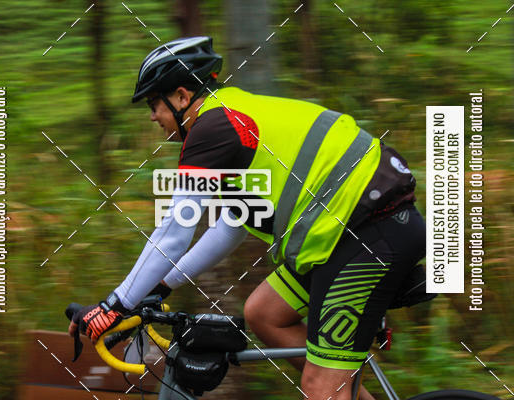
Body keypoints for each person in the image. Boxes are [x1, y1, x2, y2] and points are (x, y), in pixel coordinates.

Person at [68, 36, 427, 400]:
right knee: (264, 314)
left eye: (153, 105)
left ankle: (331, 386)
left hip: (368, 235)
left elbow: (172, 234)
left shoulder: (212, 128)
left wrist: (114, 306)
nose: (152, 117)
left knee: (319, 386)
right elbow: (229, 227)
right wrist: (160, 287)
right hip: (347, 235)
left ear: (181, 97)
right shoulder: (231, 117)